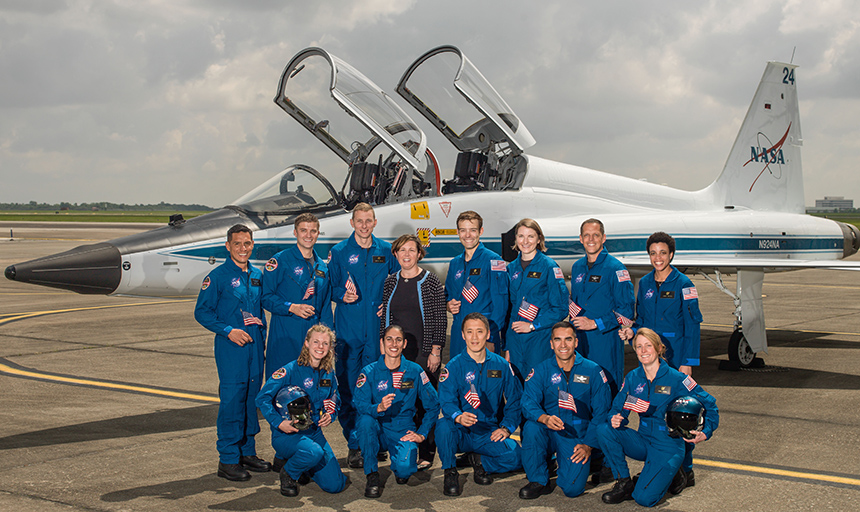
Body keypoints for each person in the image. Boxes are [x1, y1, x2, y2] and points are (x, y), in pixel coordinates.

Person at [619, 231, 704, 487]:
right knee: (653, 411)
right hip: (651, 360)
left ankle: (685, 470)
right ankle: (658, 463)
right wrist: (632, 331)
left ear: (671, 255)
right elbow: (642, 320)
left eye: (663, 253)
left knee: (679, 414)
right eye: (653, 253)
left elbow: (693, 325)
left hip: (676, 357)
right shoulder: (644, 283)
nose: (658, 258)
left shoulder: (684, 284)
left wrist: (687, 362)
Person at [597, 328, 718, 507]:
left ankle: (675, 472)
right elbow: (617, 408)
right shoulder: (632, 378)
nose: (643, 351)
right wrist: (616, 417)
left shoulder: (678, 379)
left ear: (659, 348)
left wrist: (706, 432)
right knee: (604, 429)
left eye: (648, 346)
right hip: (644, 440)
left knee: (644, 499)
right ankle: (624, 481)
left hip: (667, 445)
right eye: (639, 347)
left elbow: (711, 405)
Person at [194, 224, 271, 481]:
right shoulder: (217, 277)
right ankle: (227, 459)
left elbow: (259, 310)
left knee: (251, 398)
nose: (242, 249)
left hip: (255, 347)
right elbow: (202, 312)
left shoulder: (257, 275)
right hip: (232, 348)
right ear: (228, 246)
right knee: (231, 401)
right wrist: (228, 330)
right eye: (237, 244)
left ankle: (246, 452)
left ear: (252, 245)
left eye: (247, 244)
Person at [328, 202, 399, 467]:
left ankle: (374, 439)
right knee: (348, 388)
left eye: (369, 220)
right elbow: (331, 287)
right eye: (359, 221)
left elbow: (396, 282)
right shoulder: (339, 252)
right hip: (348, 332)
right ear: (352, 223)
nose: (364, 225)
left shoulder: (385, 251)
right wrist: (340, 294)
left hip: (377, 332)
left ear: (375, 222)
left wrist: (388, 301)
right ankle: (355, 443)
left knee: (377, 387)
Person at [519, 321, 611, 499]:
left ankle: (588, 459)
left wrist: (588, 445)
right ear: (551, 343)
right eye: (558, 340)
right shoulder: (540, 370)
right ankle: (539, 480)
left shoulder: (593, 371)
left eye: (568, 339)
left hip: (576, 434)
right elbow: (527, 402)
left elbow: (602, 412)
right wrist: (544, 418)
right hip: (550, 428)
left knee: (572, 489)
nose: (563, 345)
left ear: (576, 342)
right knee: (532, 427)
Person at [436, 313, 523, 496]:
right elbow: (446, 401)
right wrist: (458, 416)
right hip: (462, 432)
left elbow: (515, 400)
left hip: (488, 432)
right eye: (470, 332)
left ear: (488, 334)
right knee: (443, 425)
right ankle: (450, 471)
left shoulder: (501, 365)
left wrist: (506, 428)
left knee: (518, 457)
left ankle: (481, 461)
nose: (474, 337)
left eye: (479, 332)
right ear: (463, 335)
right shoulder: (453, 367)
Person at [256, 325, 347, 497]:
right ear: (306, 343)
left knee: (336, 485)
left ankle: (304, 464)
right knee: (313, 452)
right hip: (288, 434)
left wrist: (330, 415)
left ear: (330, 347)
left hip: (313, 432)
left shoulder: (328, 373)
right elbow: (262, 398)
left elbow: (335, 398)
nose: (320, 347)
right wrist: (278, 423)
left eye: (325, 343)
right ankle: (289, 473)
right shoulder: (289, 370)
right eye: (316, 342)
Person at [380, 233, 446, 470]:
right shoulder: (390, 281)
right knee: (398, 399)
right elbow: (386, 318)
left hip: (423, 352)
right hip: (397, 353)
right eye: (402, 250)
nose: (406, 255)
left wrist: (435, 351)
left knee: (423, 403)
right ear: (395, 254)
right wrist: (383, 346)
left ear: (419, 254)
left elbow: (440, 319)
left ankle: (427, 450)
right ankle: (403, 448)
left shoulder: (430, 281)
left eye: (411, 250)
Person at [353, 324, 440, 497]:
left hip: (402, 428)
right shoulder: (368, 372)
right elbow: (359, 403)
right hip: (376, 427)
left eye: (398, 340)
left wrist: (422, 434)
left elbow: (434, 404)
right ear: (382, 343)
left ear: (405, 344)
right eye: (389, 339)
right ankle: (371, 473)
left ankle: (399, 462)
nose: (394, 343)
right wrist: (377, 407)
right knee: (365, 421)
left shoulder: (415, 371)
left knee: (405, 469)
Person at [569, 218, 635, 394]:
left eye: (596, 235)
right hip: (580, 341)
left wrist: (595, 323)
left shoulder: (615, 268)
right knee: (582, 390)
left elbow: (627, 309)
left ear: (603, 238)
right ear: (581, 239)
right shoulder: (577, 267)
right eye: (587, 235)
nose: (591, 239)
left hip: (604, 341)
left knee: (606, 390)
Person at [262, 213, 333, 377]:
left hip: (314, 341)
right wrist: (291, 307)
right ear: (295, 232)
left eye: (313, 231)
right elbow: (265, 297)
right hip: (286, 335)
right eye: (303, 230)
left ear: (317, 233)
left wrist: (329, 338)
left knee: (312, 386)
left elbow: (326, 306)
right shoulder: (280, 261)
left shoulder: (322, 267)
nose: (308, 235)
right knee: (281, 387)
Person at [505, 218, 569, 379]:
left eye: (530, 236)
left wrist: (533, 326)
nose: (525, 241)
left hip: (539, 340)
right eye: (521, 236)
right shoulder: (511, 269)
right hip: (515, 341)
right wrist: (507, 347)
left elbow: (560, 309)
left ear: (539, 239)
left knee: (539, 387)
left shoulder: (549, 267)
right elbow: (509, 311)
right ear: (516, 239)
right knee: (516, 389)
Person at [446, 210, 510, 356]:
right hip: (459, 334)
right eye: (463, 230)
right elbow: (447, 295)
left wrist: (492, 337)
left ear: (480, 231)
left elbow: (501, 304)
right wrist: (448, 305)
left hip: (483, 335)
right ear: (458, 232)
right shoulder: (455, 263)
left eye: (472, 230)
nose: (467, 235)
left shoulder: (494, 261)